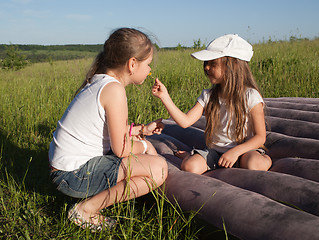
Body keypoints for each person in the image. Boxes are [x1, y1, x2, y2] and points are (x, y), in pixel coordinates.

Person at [48, 28, 168, 231]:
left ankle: (142, 196)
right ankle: (85, 210)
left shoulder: (100, 82)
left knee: (148, 158)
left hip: (64, 171)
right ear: (132, 64)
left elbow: (107, 129)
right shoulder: (114, 90)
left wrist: (141, 130)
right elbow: (121, 149)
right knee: (159, 168)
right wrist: (144, 145)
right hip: (73, 176)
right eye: (147, 65)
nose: (149, 71)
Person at [152, 34, 271, 175]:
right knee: (190, 166)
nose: (207, 67)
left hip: (244, 151)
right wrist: (164, 97)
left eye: (212, 63)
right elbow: (185, 121)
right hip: (215, 152)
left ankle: (266, 158)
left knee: (253, 164)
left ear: (232, 65)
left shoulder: (251, 96)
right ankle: (191, 156)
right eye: (206, 63)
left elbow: (260, 137)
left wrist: (234, 152)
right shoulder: (208, 96)